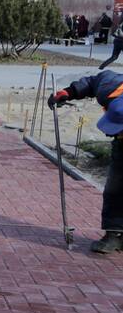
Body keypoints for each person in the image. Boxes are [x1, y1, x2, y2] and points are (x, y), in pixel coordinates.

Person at [49, 71, 123, 252]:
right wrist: (68, 92)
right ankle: (114, 234)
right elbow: (92, 81)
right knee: (115, 187)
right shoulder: (110, 87)